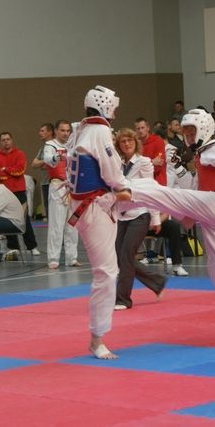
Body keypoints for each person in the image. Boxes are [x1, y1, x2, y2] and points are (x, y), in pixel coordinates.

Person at [116, 108, 215, 345]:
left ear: (204, 130)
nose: (189, 136)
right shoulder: (202, 154)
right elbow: (196, 189)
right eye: (186, 132)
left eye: (192, 131)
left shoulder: (214, 149)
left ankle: (125, 190)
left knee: (165, 193)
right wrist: (180, 173)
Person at [65, 85, 129, 359]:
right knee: (106, 272)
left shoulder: (80, 129)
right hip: (94, 206)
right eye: (113, 107)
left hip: (84, 205)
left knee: (106, 270)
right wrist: (123, 188)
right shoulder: (99, 131)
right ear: (105, 106)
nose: (115, 112)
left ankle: (97, 337)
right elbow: (112, 171)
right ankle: (97, 338)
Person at [113, 128, 166, 310]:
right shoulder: (118, 164)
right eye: (123, 141)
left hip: (140, 214)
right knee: (119, 257)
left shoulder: (144, 162)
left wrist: (155, 218)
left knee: (127, 255)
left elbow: (151, 190)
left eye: (129, 140)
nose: (126, 144)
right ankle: (157, 281)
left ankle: (123, 299)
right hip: (122, 216)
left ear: (136, 143)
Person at [0, 131, 40, 256]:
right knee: (7, 220)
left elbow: (20, 170)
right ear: (0, 142)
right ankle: (13, 247)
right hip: (5, 193)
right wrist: (8, 172)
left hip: (19, 191)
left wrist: (6, 169)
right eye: (3, 140)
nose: (6, 142)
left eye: (8, 139)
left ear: (11, 140)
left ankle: (32, 246)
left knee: (24, 219)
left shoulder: (20, 154)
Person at [43, 119, 80, 269]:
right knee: (56, 224)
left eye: (68, 131)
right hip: (58, 186)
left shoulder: (73, 145)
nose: (65, 133)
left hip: (74, 187)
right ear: (56, 131)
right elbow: (47, 160)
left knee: (73, 224)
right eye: (62, 130)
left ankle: (72, 258)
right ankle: (53, 258)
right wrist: (56, 157)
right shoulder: (50, 145)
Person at [31, 123, 55, 220]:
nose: (39, 133)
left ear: (50, 132)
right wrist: (46, 161)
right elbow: (34, 164)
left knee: (55, 211)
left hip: (54, 182)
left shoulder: (55, 146)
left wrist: (45, 163)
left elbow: (55, 163)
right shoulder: (43, 148)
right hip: (45, 183)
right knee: (49, 211)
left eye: (42, 131)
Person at [134, 118, 167, 186]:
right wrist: (151, 162)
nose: (140, 130)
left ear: (148, 128)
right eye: (138, 128)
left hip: (158, 182)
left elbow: (159, 165)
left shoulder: (158, 141)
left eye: (142, 128)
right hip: (140, 184)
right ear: (135, 130)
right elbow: (133, 168)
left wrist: (140, 166)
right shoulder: (134, 144)